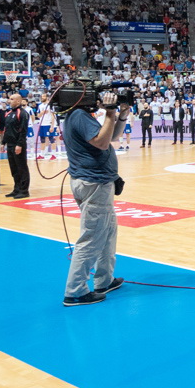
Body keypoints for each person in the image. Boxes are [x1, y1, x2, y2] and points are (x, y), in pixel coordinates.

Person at [62, 90, 131, 307]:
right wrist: (109, 113)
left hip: (98, 182)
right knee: (91, 237)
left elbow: (113, 137)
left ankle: (104, 280)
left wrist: (121, 114)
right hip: (94, 184)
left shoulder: (82, 116)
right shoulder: (79, 116)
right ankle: (75, 291)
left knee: (108, 232)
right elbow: (102, 143)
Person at [2, 93, 31, 199]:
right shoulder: (9, 113)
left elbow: (23, 130)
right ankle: (16, 188)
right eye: (9, 99)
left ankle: (24, 190)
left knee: (21, 167)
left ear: (18, 101)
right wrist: (3, 142)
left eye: (12, 99)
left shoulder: (23, 113)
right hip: (9, 144)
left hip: (18, 144)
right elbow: (7, 129)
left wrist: (19, 144)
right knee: (13, 168)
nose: (9, 101)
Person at [36, 94, 58, 160]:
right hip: (42, 124)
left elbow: (53, 116)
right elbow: (38, 116)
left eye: (44, 96)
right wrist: (42, 112)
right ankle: (42, 154)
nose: (42, 97)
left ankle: (54, 155)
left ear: (47, 97)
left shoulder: (50, 106)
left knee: (51, 139)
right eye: (42, 96)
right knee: (42, 140)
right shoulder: (40, 106)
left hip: (48, 124)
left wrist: (52, 126)